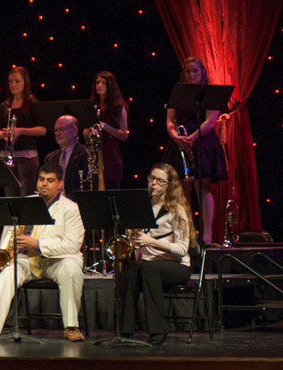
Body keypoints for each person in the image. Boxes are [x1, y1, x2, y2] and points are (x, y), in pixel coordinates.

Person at [0, 163, 86, 342]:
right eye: (41, 179)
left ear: (60, 184)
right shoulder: (24, 202)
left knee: (71, 269)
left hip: (59, 260)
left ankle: (71, 326)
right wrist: (7, 250)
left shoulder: (71, 208)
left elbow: (72, 245)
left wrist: (37, 244)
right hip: (28, 259)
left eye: (50, 180)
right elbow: (9, 232)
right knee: (8, 274)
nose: (44, 184)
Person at [121, 163, 195, 345]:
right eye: (151, 178)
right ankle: (125, 329)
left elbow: (182, 249)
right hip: (149, 265)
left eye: (160, 180)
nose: (153, 183)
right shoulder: (142, 207)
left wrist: (151, 242)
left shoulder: (177, 210)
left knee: (148, 268)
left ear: (169, 186)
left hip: (177, 266)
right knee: (132, 268)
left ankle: (158, 330)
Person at [163, 56, 227, 243]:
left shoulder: (209, 92)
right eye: (188, 71)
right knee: (183, 188)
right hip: (180, 141)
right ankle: (187, 233)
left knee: (203, 187)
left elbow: (210, 121)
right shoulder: (178, 91)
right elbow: (169, 120)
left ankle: (207, 235)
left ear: (202, 73)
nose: (191, 74)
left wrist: (190, 138)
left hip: (202, 141)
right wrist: (176, 137)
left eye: (195, 71)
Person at [0, 67, 45, 196]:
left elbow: (43, 130)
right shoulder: (4, 106)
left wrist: (21, 131)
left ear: (25, 82)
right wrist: (4, 134)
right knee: (10, 195)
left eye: (17, 81)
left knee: (26, 195)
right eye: (10, 81)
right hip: (7, 154)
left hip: (26, 156)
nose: (13, 85)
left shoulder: (32, 103)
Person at [89, 71, 129, 189]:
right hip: (94, 156)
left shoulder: (118, 107)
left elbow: (123, 135)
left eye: (103, 83)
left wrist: (104, 126)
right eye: (97, 83)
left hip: (111, 156)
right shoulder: (91, 106)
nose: (99, 86)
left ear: (110, 86)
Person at [45, 115, 89, 201]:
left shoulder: (86, 155)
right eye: (55, 130)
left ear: (75, 131)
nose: (57, 133)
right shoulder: (50, 158)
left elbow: (86, 187)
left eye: (62, 129)